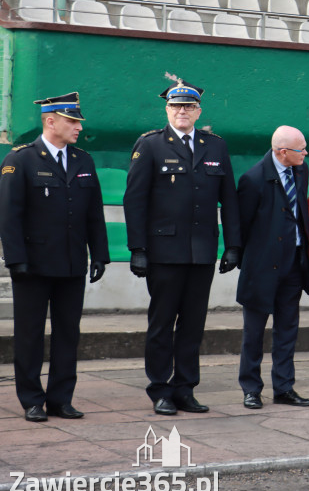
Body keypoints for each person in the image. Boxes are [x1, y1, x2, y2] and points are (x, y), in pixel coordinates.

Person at [123, 79, 241, 416]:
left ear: (198, 110)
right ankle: (160, 389)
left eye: (189, 107)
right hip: (163, 253)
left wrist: (232, 244)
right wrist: (138, 248)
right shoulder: (151, 145)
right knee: (162, 324)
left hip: (202, 251)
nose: (182, 112)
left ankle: (185, 388)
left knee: (193, 324)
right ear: (167, 110)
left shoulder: (215, 147)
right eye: (176, 106)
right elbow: (135, 200)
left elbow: (228, 199)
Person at [0, 93, 109, 422]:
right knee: (30, 334)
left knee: (67, 333)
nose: (78, 128)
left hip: (72, 263)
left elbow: (94, 213)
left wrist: (99, 254)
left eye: (77, 122)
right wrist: (15, 259)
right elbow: (9, 215)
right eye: (72, 121)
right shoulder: (20, 160)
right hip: (32, 265)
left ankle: (61, 399)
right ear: (50, 121)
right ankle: (32, 399)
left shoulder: (83, 160)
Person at [236, 126, 309, 410]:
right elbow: (242, 227)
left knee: (287, 329)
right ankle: (251, 388)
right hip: (261, 267)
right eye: (301, 149)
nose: (306, 153)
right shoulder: (253, 179)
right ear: (283, 152)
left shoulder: (301, 171)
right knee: (254, 332)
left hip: (293, 263)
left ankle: (284, 387)